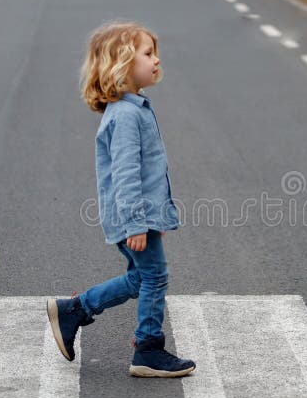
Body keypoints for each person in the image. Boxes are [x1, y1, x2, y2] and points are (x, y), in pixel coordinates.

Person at [46, 21, 196, 378]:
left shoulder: (133, 108)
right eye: (148, 54)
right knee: (155, 276)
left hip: (139, 215)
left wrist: (151, 218)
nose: (156, 60)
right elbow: (126, 174)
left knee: (140, 277)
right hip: (133, 216)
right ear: (122, 64)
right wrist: (136, 222)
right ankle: (148, 349)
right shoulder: (127, 115)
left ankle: (74, 311)